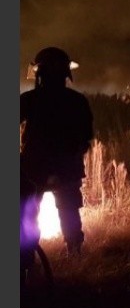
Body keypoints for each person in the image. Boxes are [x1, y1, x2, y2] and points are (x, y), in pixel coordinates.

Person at [20, 47, 94, 271]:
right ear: (65, 74)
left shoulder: (30, 99)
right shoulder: (77, 101)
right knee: (69, 211)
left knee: (28, 214)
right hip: (65, 168)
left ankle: (25, 263)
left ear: (39, 73)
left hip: (34, 168)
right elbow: (86, 137)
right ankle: (75, 255)